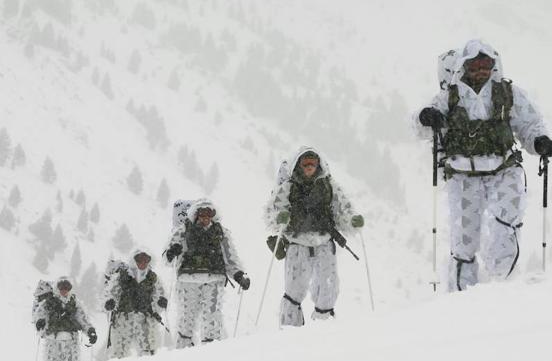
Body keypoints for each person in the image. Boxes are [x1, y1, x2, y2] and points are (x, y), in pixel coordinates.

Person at [415, 39, 552, 291]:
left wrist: (540, 142)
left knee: (508, 223)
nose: (482, 69)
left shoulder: (507, 93)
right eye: (476, 64)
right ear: (464, 65)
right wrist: (426, 117)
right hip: (462, 174)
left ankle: (501, 285)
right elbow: (420, 125)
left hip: (503, 169)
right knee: (464, 240)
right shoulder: (450, 95)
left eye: (487, 64)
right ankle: (461, 293)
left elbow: (529, 124)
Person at [265, 147, 364, 326]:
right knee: (294, 290)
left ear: (319, 164)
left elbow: (342, 208)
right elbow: (273, 211)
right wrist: (280, 218)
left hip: (324, 242)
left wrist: (352, 220)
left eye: (313, 163)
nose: (310, 166)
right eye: (305, 163)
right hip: (297, 244)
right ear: (298, 164)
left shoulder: (328, 184)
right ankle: (289, 331)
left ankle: (323, 329)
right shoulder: (288, 187)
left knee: (328, 286)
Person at [163, 199, 250, 348]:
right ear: (196, 214)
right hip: (188, 280)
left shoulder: (220, 232)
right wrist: (172, 252)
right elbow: (167, 258)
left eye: (209, 213)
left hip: (213, 280)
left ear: (213, 214)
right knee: (186, 320)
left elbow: (230, 257)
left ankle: (210, 352)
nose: (205, 217)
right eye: (202, 213)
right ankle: (184, 352)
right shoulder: (184, 230)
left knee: (212, 319)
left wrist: (239, 275)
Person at [103, 249, 167, 358]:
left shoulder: (152, 277)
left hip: (144, 319)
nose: (142, 263)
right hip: (123, 318)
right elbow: (111, 292)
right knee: (120, 351)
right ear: (134, 260)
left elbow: (159, 293)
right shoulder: (122, 276)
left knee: (148, 351)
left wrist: (161, 302)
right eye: (139, 260)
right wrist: (110, 302)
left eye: (145, 260)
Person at [33, 277, 97, 361]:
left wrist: (90, 330)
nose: (64, 290)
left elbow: (82, 319)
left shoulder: (74, 303)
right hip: (53, 342)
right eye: (61, 287)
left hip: (71, 342)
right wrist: (40, 321)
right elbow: (40, 314)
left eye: (67, 287)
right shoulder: (49, 302)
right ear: (56, 288)